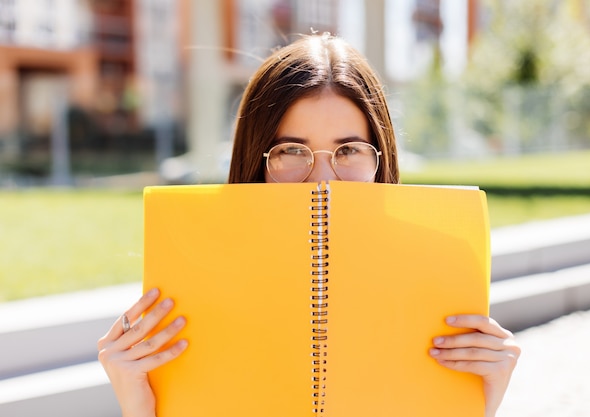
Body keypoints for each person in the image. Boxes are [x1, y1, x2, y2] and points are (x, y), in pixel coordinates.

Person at [98, 33, 520, 417]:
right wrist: (139, 405)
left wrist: (482, 402)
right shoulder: (196, 276)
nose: (323, 181)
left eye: (349, 149)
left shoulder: (437, 265)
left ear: (381, 157)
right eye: (291, 151)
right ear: (256, 159)